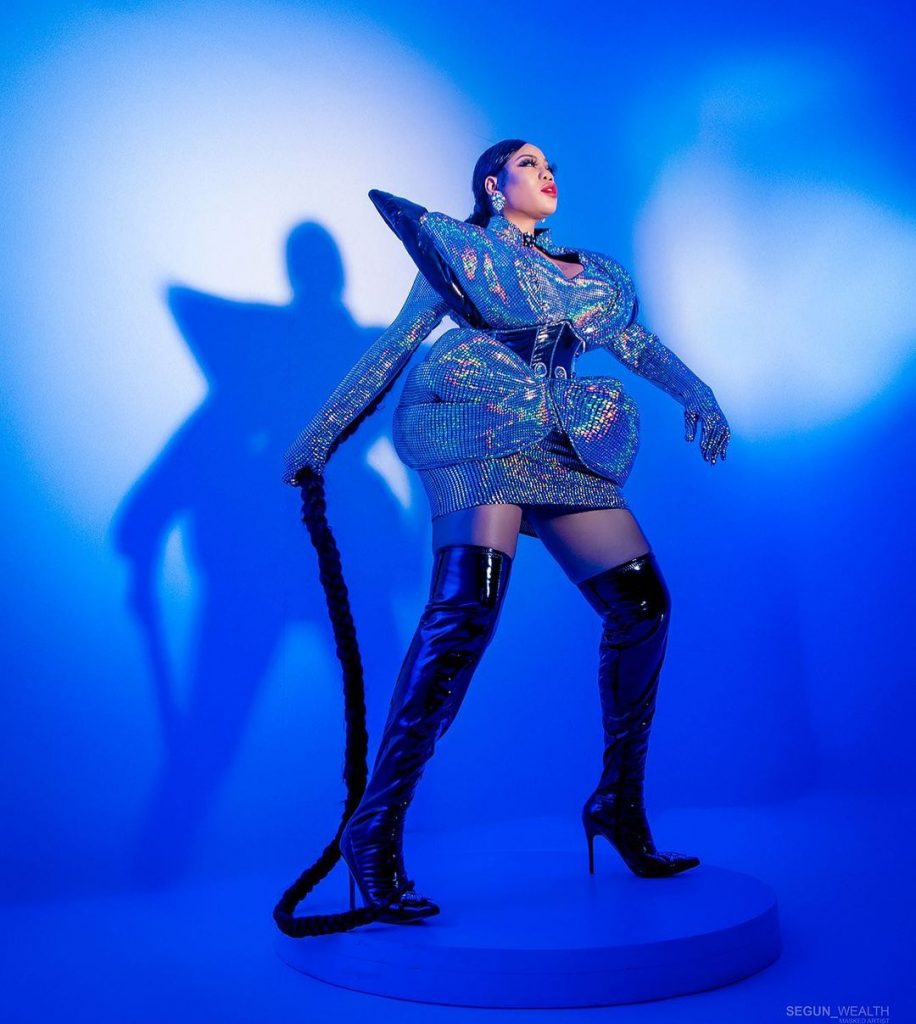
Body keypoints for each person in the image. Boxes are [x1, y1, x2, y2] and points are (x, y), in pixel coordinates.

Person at [272, 139, 731, 938]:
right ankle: (374, 828)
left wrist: (699, 392)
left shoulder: (590, 275)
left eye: (552, 165)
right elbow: (397, 344)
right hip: (471, 421)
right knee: (466, 616)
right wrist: (321, 435)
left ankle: (617, 803)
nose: (547, 173)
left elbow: (635, 343)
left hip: (560, 434)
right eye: (528, 164)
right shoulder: (462, 254)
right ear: (492, 184)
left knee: (643, 606)